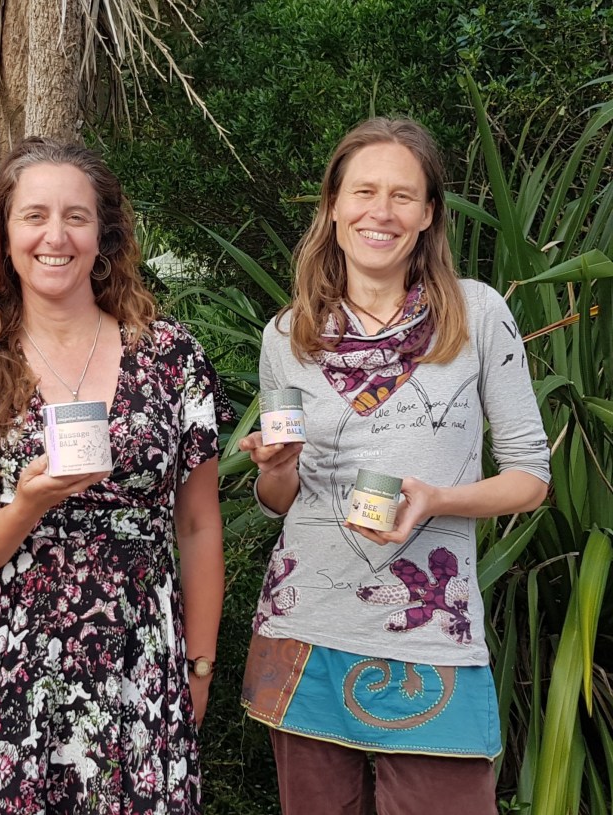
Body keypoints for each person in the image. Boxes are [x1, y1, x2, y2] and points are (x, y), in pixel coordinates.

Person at [0, 136, 229, 813]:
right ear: (3, 235)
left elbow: (199, 526)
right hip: (13, 682)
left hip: (141, 670)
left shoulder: (171, 358)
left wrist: (199, 666)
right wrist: (24, 507)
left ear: (102, 235)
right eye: (34, 216)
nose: (56, 236)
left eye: (76, 217)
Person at [237, 118, 550, 814]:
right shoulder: (288, 334)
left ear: (429, 213)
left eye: (402, 195)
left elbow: (531, 477)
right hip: (306, 626)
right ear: (333, 205)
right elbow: (282, 497)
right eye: (364, 192)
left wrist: (436, 499)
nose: (381, 212)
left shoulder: (477, 313)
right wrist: (277, 466)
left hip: (432, 630)